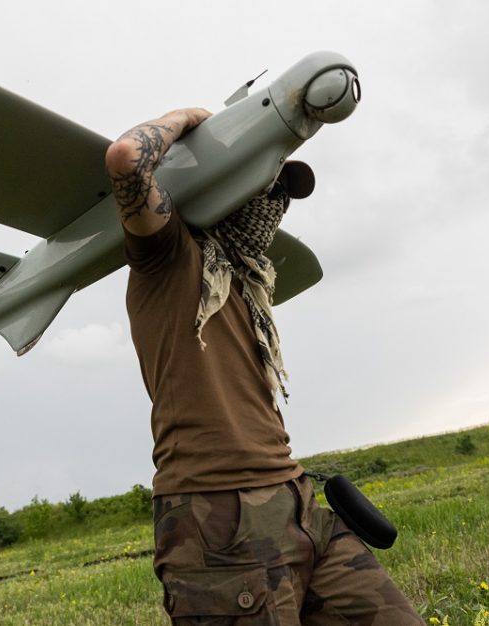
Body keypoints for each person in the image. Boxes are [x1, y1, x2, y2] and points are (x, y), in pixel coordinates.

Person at [106, 108, 424, 625]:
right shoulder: (167, 261)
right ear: (223, 190)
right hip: (218, 524)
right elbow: (125, 161)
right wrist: (191, 116)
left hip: (297, 502)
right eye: (263, 186)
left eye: (281, 191)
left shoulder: (247, 284)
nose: (275, 202)